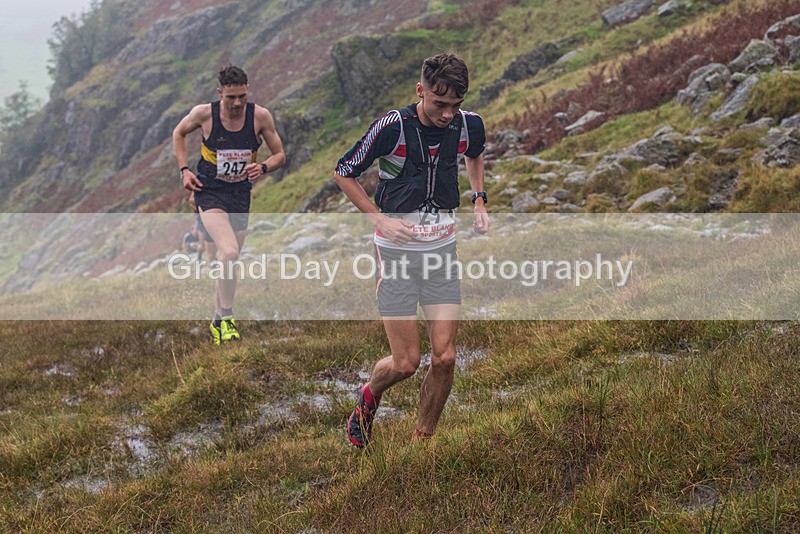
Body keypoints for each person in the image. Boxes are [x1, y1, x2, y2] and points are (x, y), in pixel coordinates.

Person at [333, 53, 490, 447]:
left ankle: (423, 441)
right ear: (420, 91)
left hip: (441, 254)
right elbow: (343, 172)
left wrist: (479, 199)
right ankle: (369, 395)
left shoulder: (468, 125)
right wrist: (379, 219)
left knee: (446, 357)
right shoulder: (393, 127)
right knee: (406, 363)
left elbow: (474, 153)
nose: (448, 114)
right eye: (439, 104)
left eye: (456, 104)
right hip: (396, 255)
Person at [173, 65, 285, 344]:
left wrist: (264, 167)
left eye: (242, 97)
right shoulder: (204, 114)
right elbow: (178, 133)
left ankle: (217, 320)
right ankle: (227, 316)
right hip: (210, 191)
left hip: (239, 194)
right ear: (220, 93)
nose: (237, 103)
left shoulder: (260, 117)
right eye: (231, 98)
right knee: (230, 253)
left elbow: (280, 154)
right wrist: (184, 170)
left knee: (227, 262)